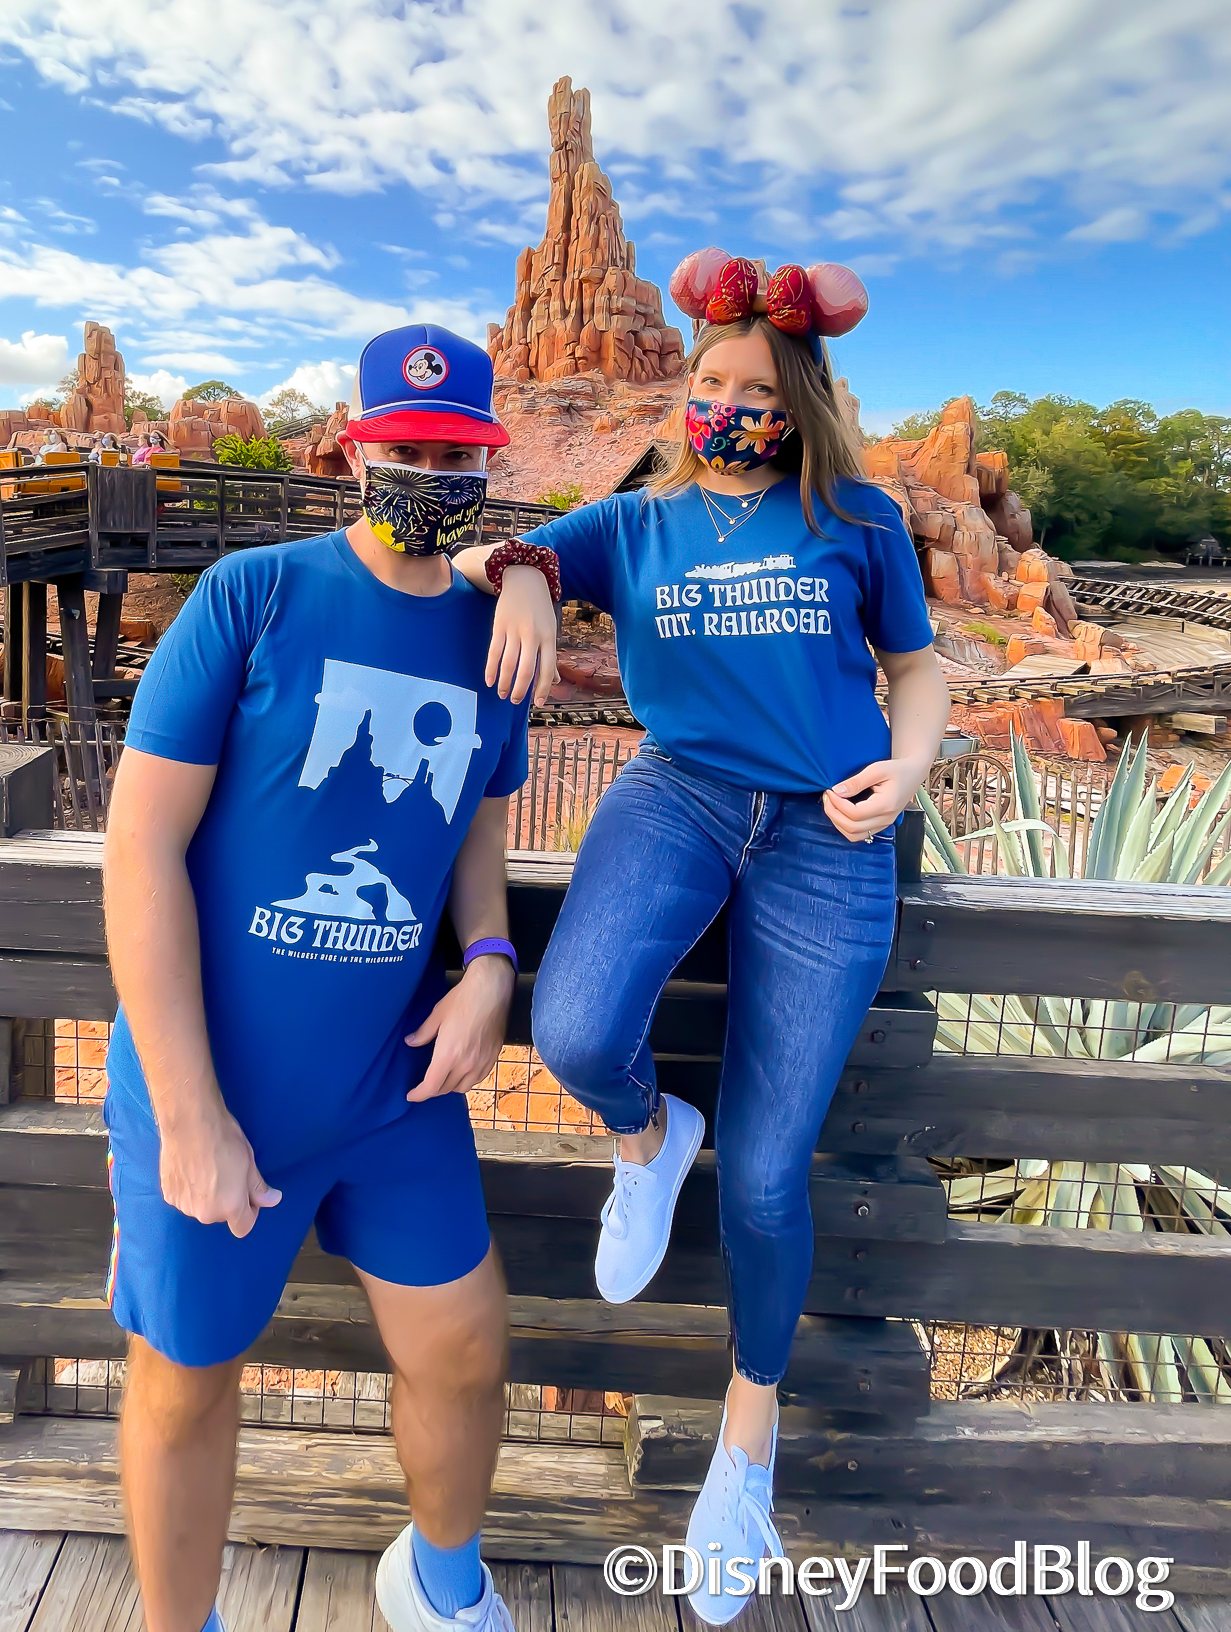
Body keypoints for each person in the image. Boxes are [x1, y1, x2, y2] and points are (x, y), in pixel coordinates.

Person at [454, 251, 948, 1621]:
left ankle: (745, 1448)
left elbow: (917, 670)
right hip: (679, 793)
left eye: (762, 391)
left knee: (772, 1175)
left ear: (803, 403)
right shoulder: (640, 520)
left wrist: (909, 770)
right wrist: (527, 577)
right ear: (687, 387)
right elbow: (503, 548)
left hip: (828, 832)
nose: (733, 406)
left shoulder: (856, 516)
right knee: (576, 1030)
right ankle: (646, 1135)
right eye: (713, 382)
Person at [102, 322, 551, 1632]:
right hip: (219, 1083)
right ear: (356, 451)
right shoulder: (253, 597)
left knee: (464, 1348)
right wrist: (188, 1114)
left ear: (487, 461)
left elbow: (476, 819)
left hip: (390, 1087)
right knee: (186, 1378)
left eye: (458, 455)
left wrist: (489, 961)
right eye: (407, 448)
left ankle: (442, 1584)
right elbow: (140, 847)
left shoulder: (495, 638)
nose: (433, 474)